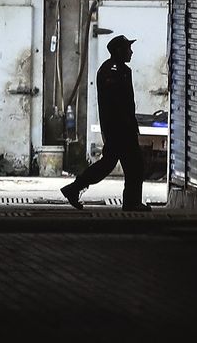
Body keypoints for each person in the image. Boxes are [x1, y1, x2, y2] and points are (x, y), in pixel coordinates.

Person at [61, 35, 151, 212]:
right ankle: (131, 203)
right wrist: (122, 126)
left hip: (125, 127)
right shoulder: (110, 71)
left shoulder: (123, 71)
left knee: (111, 164)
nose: (131, 52)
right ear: (118, 51)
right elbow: (114, 103)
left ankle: (74, 189)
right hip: (118, 129)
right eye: (127, 48)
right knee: (132, 165)